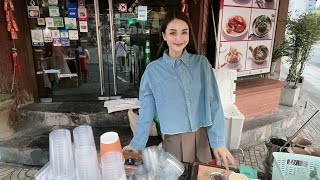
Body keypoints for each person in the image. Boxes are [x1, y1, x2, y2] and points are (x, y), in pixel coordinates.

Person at [123, 11, 236, 169]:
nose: (179, 38)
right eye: (172, 33)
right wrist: (136, 144)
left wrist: (218, 142)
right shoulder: (153, 71)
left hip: (202, 138)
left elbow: (214, 104)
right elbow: (147, 111)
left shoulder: (202, 64)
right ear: (164, 35)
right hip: (173, 141)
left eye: (184, 32)